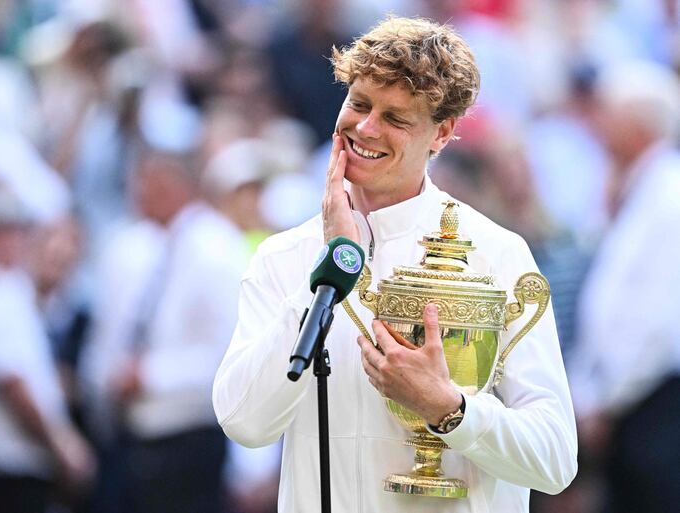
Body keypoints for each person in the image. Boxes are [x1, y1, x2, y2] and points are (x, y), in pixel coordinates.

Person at [213, 16, 577, 513]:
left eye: (396, 118)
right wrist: (330, 269)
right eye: (359, 104)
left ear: (442, 133)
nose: (366, 128)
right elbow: (244, 422)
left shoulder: (498, 253)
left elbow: (555, 460)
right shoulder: (284, 257)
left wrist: (448, 408)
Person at [79, 150, 247, 513]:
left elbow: (232, 351)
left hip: (189, 435)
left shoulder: (218, 248)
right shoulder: (137, 245)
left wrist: (152, 376)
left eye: (150, 183)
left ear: (178, 186)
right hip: (130, 434)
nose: (139, 192)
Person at [569, 60, 680, 513]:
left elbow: (654, 322)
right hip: (630, 403)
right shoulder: (638, 190)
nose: (599, 126)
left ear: (637, 127)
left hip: (653, 406)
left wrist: (605, 400)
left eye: (609, 114)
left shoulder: (669, 197)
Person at [0, 188, 93, 513]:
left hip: (15, 465)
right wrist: (63, 446)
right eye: (9, 231)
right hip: (1, 467)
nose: (20, 240)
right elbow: (12, 383)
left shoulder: (5, 286)